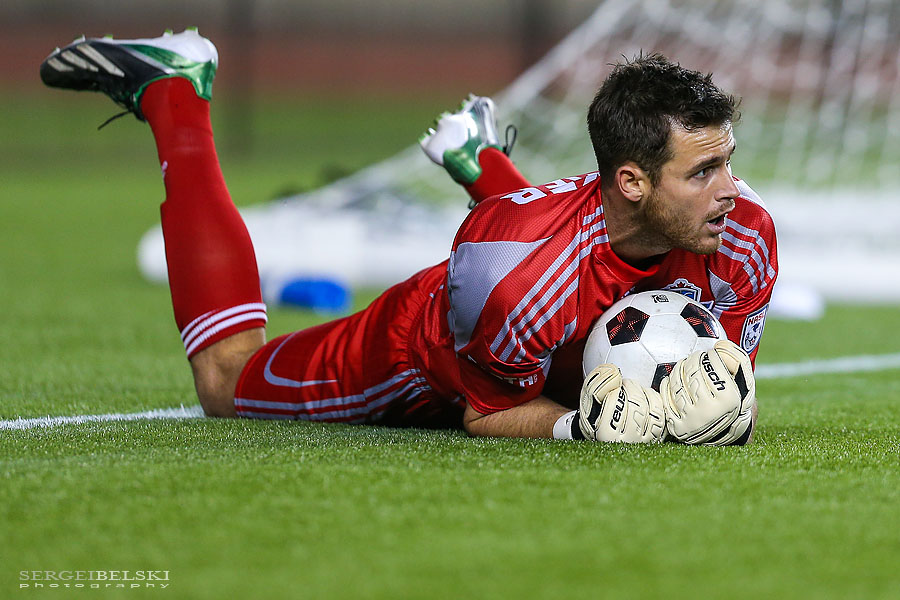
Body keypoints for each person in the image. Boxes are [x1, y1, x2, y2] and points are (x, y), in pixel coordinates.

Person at [40, 30, 775, 445]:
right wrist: (580, 429)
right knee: (226, 385)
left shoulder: (745, 237)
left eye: (728, 161)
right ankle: (176, 89)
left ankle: (475, 157)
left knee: (555, 267)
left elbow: (722, 375)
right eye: (704, 170)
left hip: (537, 273)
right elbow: (485, 412)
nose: (731, 189)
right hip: (423, 354)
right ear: (634, 181)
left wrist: (714, 406)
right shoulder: (514, 276)